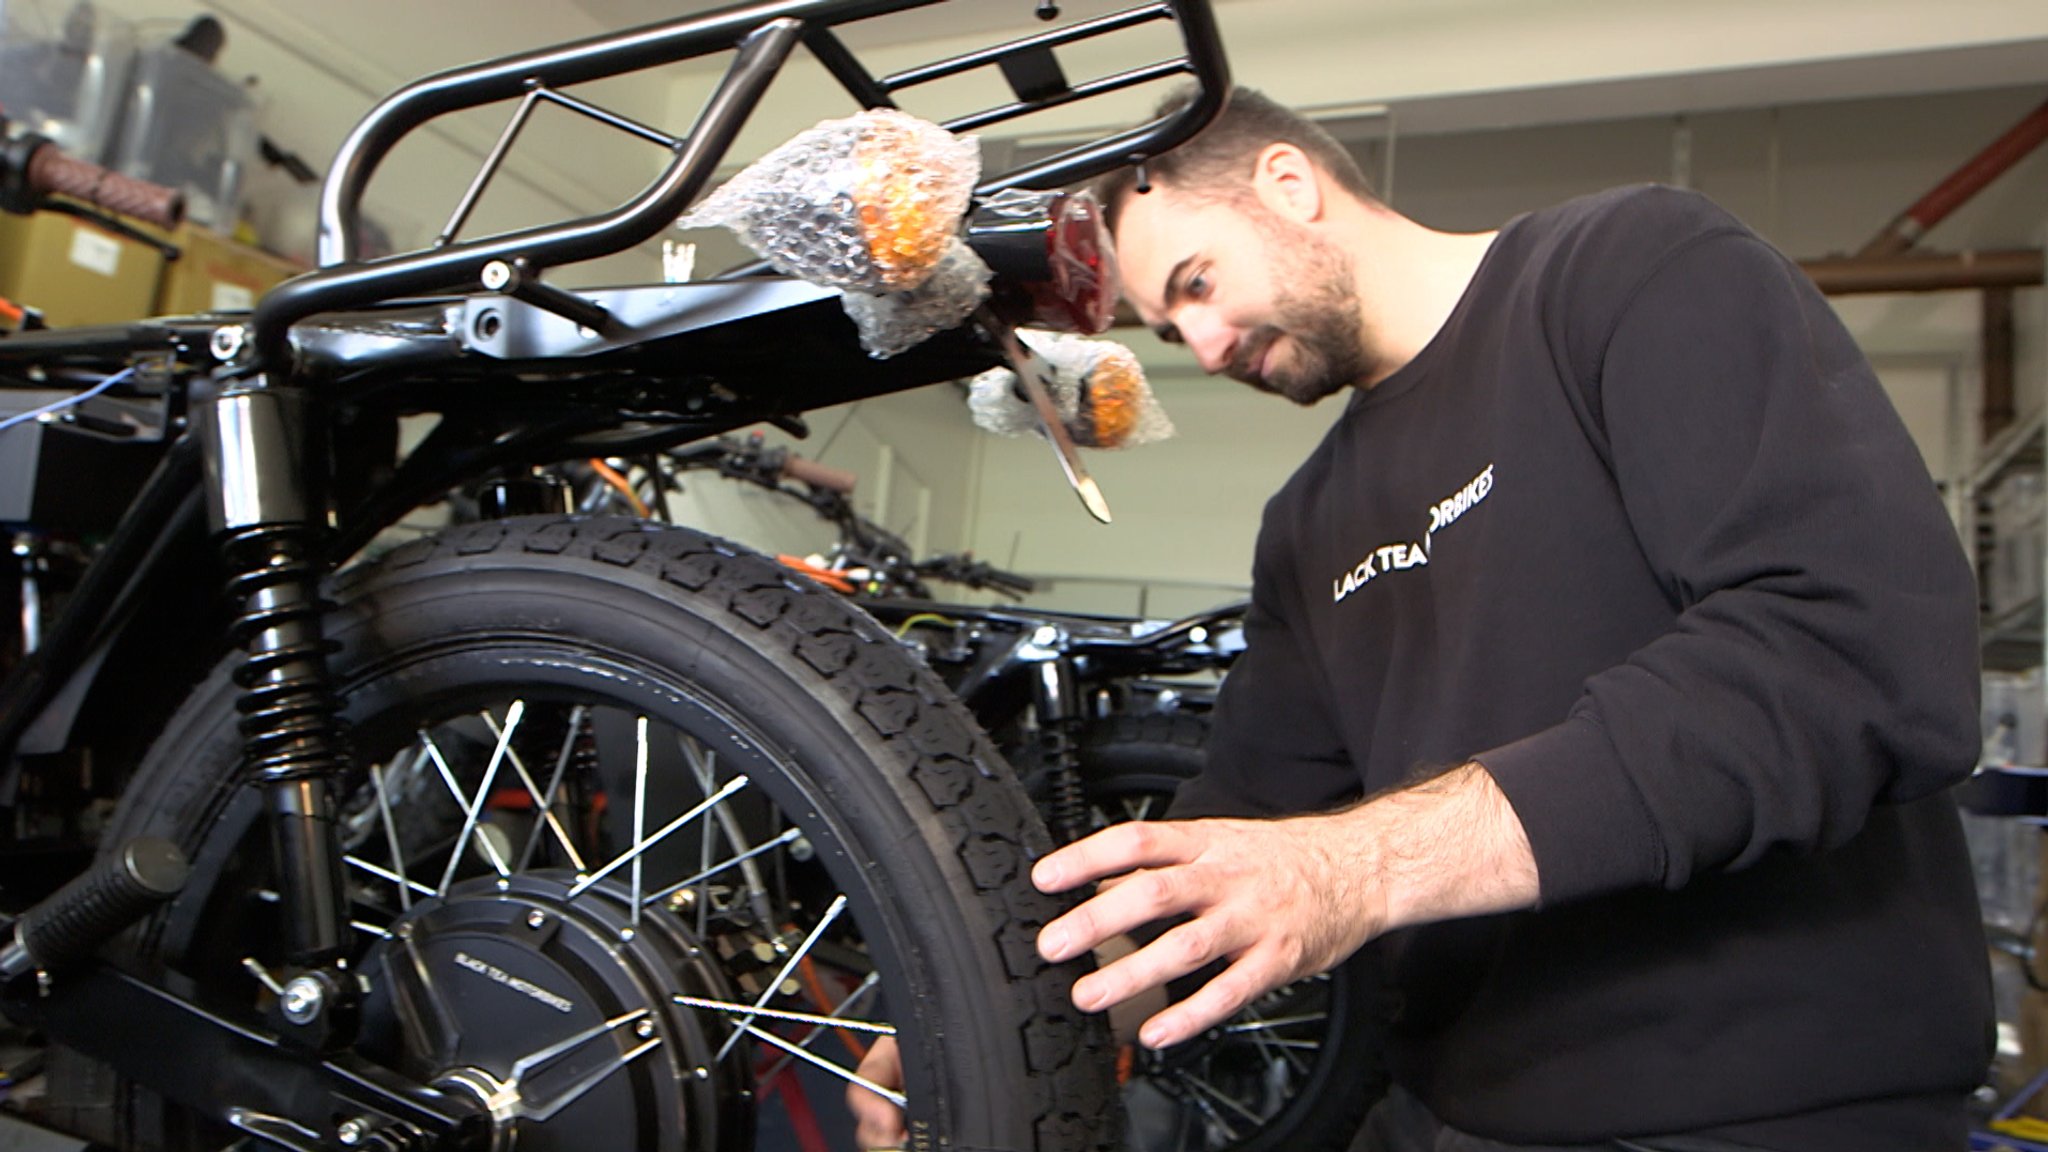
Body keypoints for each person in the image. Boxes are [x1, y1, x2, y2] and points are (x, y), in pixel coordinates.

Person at [852, 86, 1993, 1151]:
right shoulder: (1307, 521)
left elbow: (1848, 655)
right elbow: (1244, 821)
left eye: (1194, 283)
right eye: (1166, 329)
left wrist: (1364, 864)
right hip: (1450, 1119)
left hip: (1771, 1111)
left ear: (1289, 186)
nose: (1200, 349)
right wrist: (1006, 1015)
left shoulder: (1627, 271)